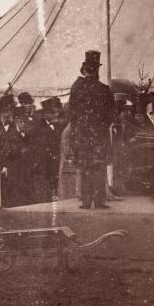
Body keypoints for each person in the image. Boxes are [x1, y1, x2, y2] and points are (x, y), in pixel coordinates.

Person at [68, 50, 114, 209]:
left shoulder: (76, 87)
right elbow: (111, 113)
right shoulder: (104, 89)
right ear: (97, 70)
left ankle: (86, 201)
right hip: (98, 135)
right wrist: (101, 127)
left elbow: (71, 113)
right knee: (98, 167)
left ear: (84, 69)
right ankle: (98, 200)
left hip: (82, 135)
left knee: (85, 166)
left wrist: (78, 130)